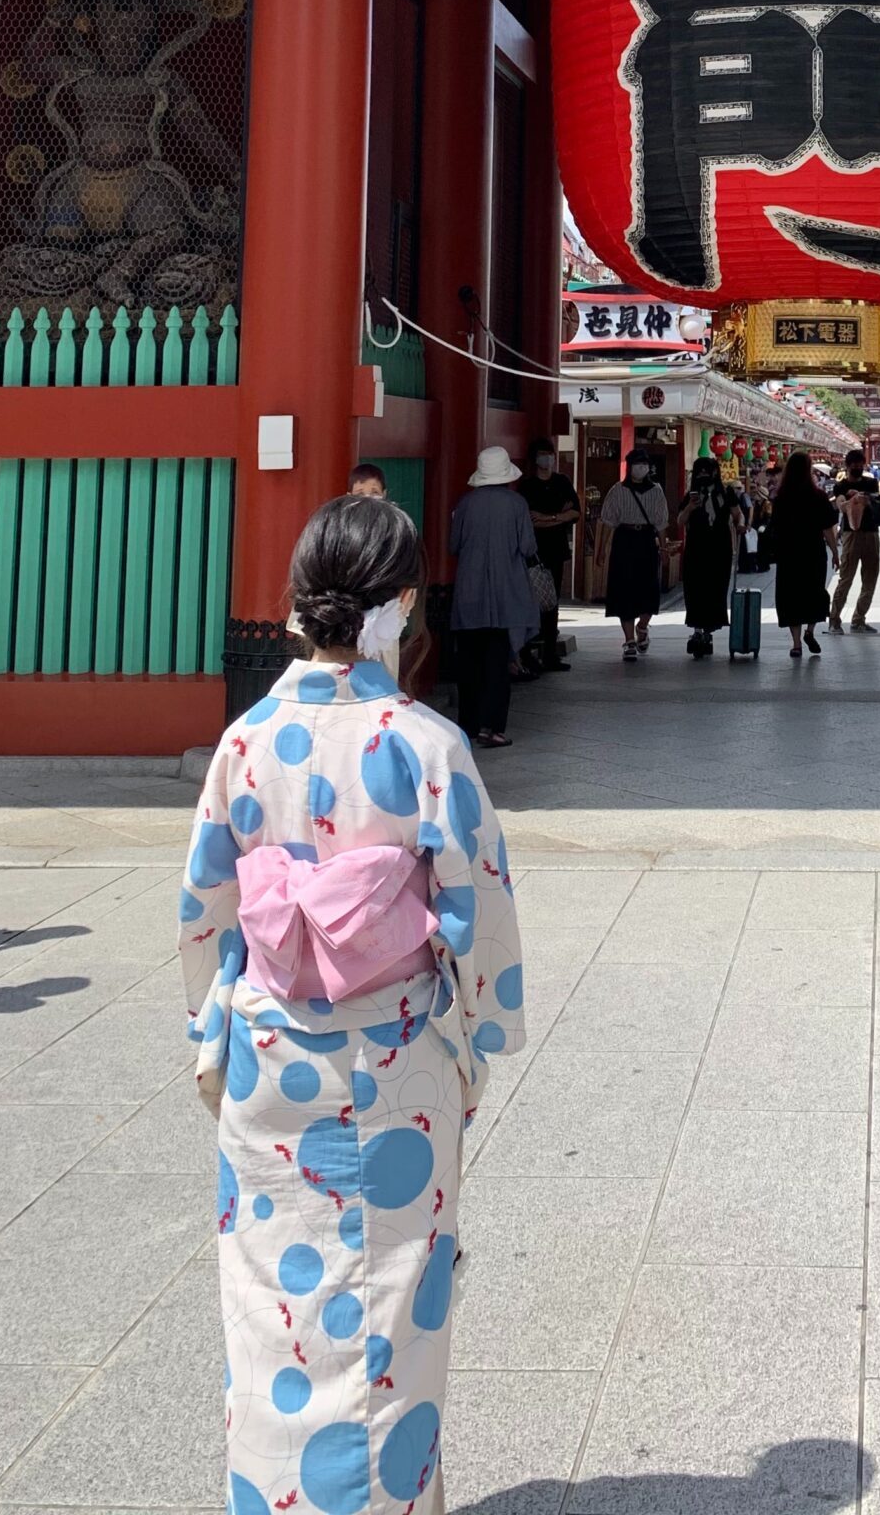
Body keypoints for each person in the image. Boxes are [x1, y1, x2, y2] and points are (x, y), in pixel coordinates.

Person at [180, 490, 524, 1515]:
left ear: (298, 606)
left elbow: (206, 906)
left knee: (269, 1304)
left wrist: (215, 1027)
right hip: (393, 1064)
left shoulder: (242, 741)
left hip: (268, 1058)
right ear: (402, 606)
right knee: (389, 1302)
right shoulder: (425, 744)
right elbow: (477, 908)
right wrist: (479, 1030)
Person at [447, 445, 539, 748]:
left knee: (469, 665)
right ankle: (493, 728)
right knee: (498, 666)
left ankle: (468, 727)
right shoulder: (517, 505)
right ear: (506, 474)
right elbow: (528, 547)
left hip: (470, 594)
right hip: (505, 595)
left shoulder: (465, 504)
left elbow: (454, 544)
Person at [593, 447, 669, 663]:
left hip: (646, 541)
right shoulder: (617, 490)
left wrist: (664, 550)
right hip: (623, 541)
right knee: (623, 590)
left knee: (649, 590)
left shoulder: (656, 491)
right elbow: (608, 522)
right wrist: (601, 551)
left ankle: (642, 626)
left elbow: (662, 523)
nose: (640, 468)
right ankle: (629, 641)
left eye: (644, 464)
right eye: (636, 464)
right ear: (629, 467)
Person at [515, 439, 579, 672]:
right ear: (535, 459)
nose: (547, 458)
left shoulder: (562, 482)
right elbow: (529, 520)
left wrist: (547, 518)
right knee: (529, 602)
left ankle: (550, 654)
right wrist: (557, 516)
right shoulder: (527, 485)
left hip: (556, 549)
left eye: (550, 454)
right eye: (542, 454)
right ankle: (527, 652)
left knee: (552, 602)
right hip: (532, 552)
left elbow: (575, 512)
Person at [769, 451, 838, 660]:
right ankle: (810, 631)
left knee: (791, 596)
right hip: (813, 552)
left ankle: (796, 643)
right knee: (814, 592)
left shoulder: (781, 497)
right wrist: (835, 552)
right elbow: (828, 529)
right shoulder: (818, 496)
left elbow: (775, 527)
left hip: (789, 553)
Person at [674, 454, 744, 658]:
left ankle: (708, 631)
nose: (705, 475)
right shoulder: (691, 495)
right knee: (695, 587)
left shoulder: (726, 492)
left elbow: (737, 512)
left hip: (719, 547)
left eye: (709, 470)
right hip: (696, 546)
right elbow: (680, 521)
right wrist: (690, 507)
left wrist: (740, 524)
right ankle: (697, 630)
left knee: (715, 587)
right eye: (701, 471)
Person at [828, 448, 880, 632]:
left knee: (870, 577)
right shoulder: (840, 486)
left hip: (871, 533)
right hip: (851, 534)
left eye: (861, 465)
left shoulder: (871, 483)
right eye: (854, 465)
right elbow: (841, 506)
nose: (858, 468)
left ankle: (859, 618)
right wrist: (848, 501)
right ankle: (834, 619)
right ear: (848, 466)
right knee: (846, 577)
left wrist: (868, 501)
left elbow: (878, 503)